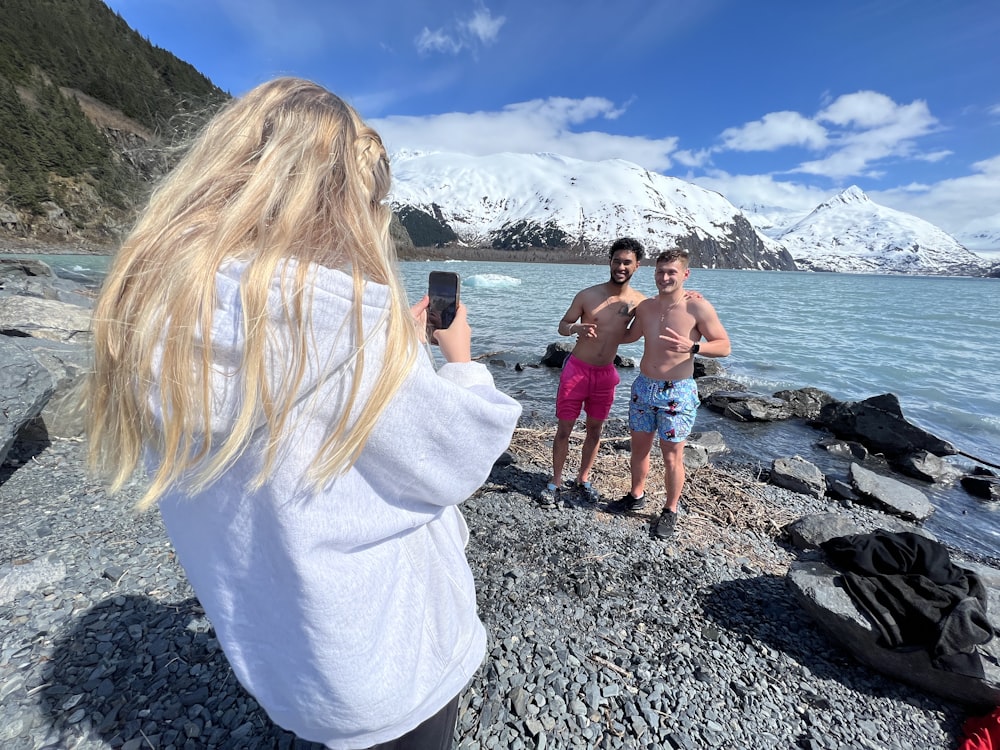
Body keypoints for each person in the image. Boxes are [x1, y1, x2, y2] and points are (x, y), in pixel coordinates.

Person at [85, 78, 522, 750]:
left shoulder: (146, 317)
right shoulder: (353, 326)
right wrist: (457, 363)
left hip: (288, 665)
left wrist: (390, 346)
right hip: (391, 672)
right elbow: (455, 459)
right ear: (343, 195)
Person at [606, 248, 730, 538]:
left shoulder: (697, 307)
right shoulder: (646, 307)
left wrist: (694, 347)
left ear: (685, 274)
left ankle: (670, 509)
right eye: (660, 272)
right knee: (639, 449)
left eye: (672, 272)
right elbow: (629, 336)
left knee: (672, 456)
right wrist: (597, 326)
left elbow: (724, 345)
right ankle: (636, 496)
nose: (665, 277)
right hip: (643, 388)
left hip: (678, 391)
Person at [541, 237, 647, 507]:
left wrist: (688, 296)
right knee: (564, 428)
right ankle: (555, 481)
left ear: (637, 266)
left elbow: (664, 312)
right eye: (616, 261)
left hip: (605, 374)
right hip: (577, 370)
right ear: (609, 261)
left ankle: (582, 478)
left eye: (627, 262)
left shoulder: (639, 303)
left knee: (595, 430)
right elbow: (562, 325)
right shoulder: (588, 295)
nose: (620, 267)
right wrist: (576, 329)